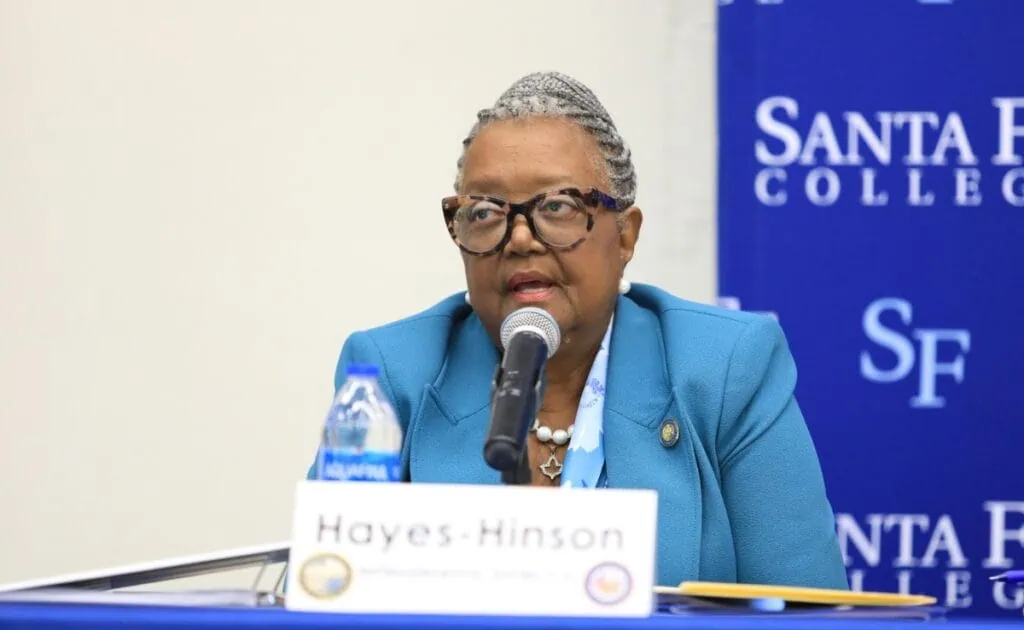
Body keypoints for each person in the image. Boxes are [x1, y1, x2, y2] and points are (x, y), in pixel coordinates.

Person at [313, 72, 848, 590]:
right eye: (483, 211)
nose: (519, 239)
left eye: (558, 207)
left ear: (625, 236)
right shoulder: (392, 373)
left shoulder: (726, 368)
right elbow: (322, 597)